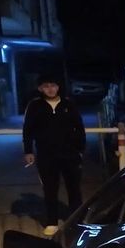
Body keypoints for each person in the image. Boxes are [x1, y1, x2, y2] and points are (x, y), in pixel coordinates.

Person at [22, 75, 86, 236]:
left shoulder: (68, 104)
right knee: (50, 189)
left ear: (58, 87)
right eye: (46, 86)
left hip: (70, 154)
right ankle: (52, 221)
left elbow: (79, 128)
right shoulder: (35, 106)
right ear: (40, 88)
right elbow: (28, 130)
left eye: (53, 85)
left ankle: (77, 221)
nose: (50, 89)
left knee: (74, 189)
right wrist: (28, 151)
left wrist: (80, 149)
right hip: (46, 155)